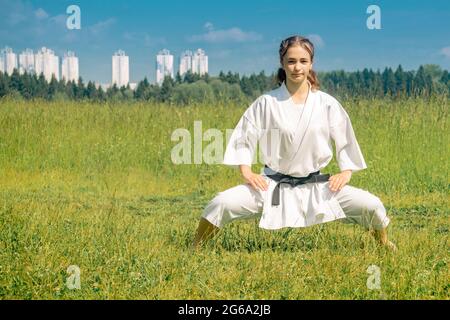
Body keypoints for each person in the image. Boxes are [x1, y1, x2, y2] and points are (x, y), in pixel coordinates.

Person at [192, 35, 396, 251]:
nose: (297, 67)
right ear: (282, 63)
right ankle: (195, 248)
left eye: (303, 61)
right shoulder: (267, 103)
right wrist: (247, 172)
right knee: (221, 203)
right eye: (291, 61)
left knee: (372, 205)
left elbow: (346, 141)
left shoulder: (326, 104)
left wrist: (346, 172)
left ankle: (383, 243)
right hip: (272, 185)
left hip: (317, 186)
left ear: (311, 64)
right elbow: (244, 137)